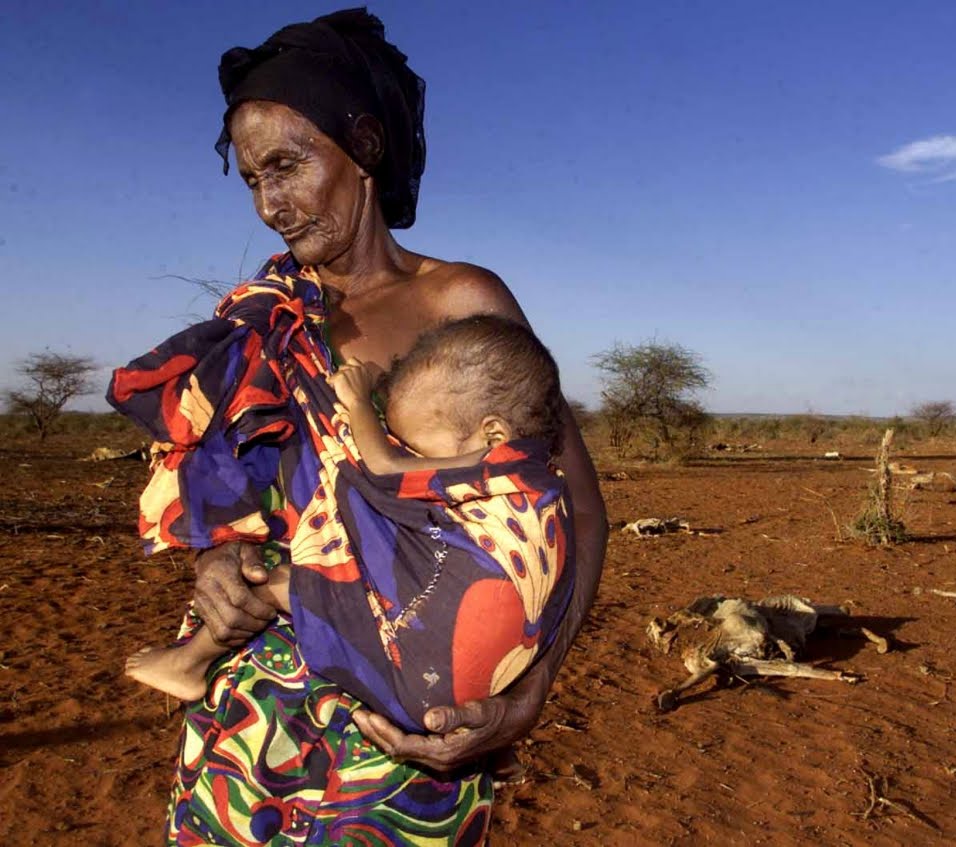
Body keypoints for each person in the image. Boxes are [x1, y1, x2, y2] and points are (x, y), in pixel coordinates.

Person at [107, 9, 605, 845]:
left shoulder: (459, 301)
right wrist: (216, 559)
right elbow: (228, 483)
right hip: (250, 711)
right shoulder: (260, 318)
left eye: (287, 165)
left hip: (406, 724)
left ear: (364, 146)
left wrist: (532, 687)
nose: (270, 204)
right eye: (252, 179)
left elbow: (577, 506)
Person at [124, 315, 574, 727]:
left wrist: (357, 402)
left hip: (421, 683)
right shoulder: (544, 480)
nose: (413, 456)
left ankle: (188, 663)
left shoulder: (499, 462)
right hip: (492, 684)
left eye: (418, 447)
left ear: (493, 434)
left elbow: (382, 468)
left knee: (285, 582)